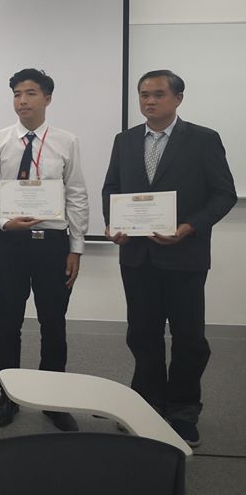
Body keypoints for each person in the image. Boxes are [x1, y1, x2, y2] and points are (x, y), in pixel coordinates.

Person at [102, 69, 236, 447]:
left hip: (184, 256)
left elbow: (224, 194)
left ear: (178, 98)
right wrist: (115, 224)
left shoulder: (203, 139)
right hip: (137, 256)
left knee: (189, 338)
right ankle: (147, 404)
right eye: (144, 94)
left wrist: (189, 227)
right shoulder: (125, 140)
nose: (149, 101)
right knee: (142, 334)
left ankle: (182, 410)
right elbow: (112, 188)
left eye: (158, 94)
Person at [0, 68, 88, 432]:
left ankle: (53, 399)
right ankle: (8, 395)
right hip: (10, 243)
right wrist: (2, 221)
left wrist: (76, 247)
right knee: (8, 322)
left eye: (30, 93)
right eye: (17, 94)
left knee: (54, 324)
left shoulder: (66, 141)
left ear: (47, 99)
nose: (22, 101)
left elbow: (77, 194)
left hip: (52, 245)